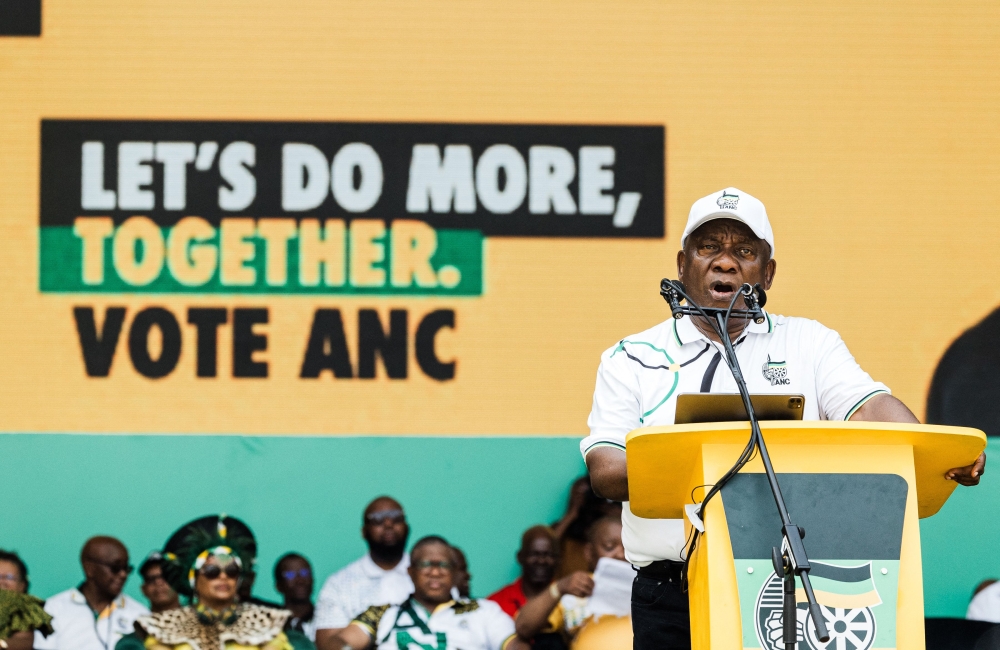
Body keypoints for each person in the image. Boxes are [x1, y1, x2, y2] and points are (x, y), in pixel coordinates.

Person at [582, 187, 988, 650]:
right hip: (673, 594)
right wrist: (695, 459)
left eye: (745, 251)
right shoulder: (629, 357)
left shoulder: (809, 343)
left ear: (767, 273)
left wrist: (935, 452)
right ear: (682, 264)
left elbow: (868, 405)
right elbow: (608, 470)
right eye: (708, 247)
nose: (725, 262)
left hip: (787, 584)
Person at [133, 514, 311, 650]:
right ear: (194, 579)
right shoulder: (164, 628)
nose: (223, 577)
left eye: (232, 570)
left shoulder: (267, 623)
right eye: (212, 571)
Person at [332, 536, 523, 650]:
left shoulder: (483, 610)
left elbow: (514, 645)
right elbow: (341, 642)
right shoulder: (382, 613)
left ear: (455, 573)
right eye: (425, 565)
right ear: (410, 572)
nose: (435, 572)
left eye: (443, 565)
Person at [315, 497, 414, 649]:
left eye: (396, 517)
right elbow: (328, 644)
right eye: (377, 520)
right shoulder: (339, 584)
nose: (388, 524)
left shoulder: (432, 577)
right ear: (364, 531)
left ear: (407, 527)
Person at [514, 518, 628, 648]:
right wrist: (559, 588)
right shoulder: (575, 591)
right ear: (589, 552)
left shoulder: (649, 589)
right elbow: (523, 627)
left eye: (628, 548)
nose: (620, 554)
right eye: (609, 547)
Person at [35, 536, 148, 650]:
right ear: (89, 568)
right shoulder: (53, 609)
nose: (123, 575)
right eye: (116, 567)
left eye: (126, 568)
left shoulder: (140, 614)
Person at [488, 527, 567, 650]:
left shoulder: (570, 600)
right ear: (520, 557)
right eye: (534, 554)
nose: (541, 560)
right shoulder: (495, 604)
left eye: (548, 555)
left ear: (558, 560)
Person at [549, 478, 621, 578]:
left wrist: (620, 517)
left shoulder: (613, 528)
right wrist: (572, 513)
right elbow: (546, 550)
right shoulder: (564, 531)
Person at [0, 550, 53, 650]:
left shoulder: (25, 609)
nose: (2, 583)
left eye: (9, 577)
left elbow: (23, 641)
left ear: (23, 585)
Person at [275, 553, 316, 641]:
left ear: (313, 579)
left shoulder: (328, 619)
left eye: (305, 573)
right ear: (278, 586)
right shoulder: (271, 624)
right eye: (290, 575)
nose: (300, 580)